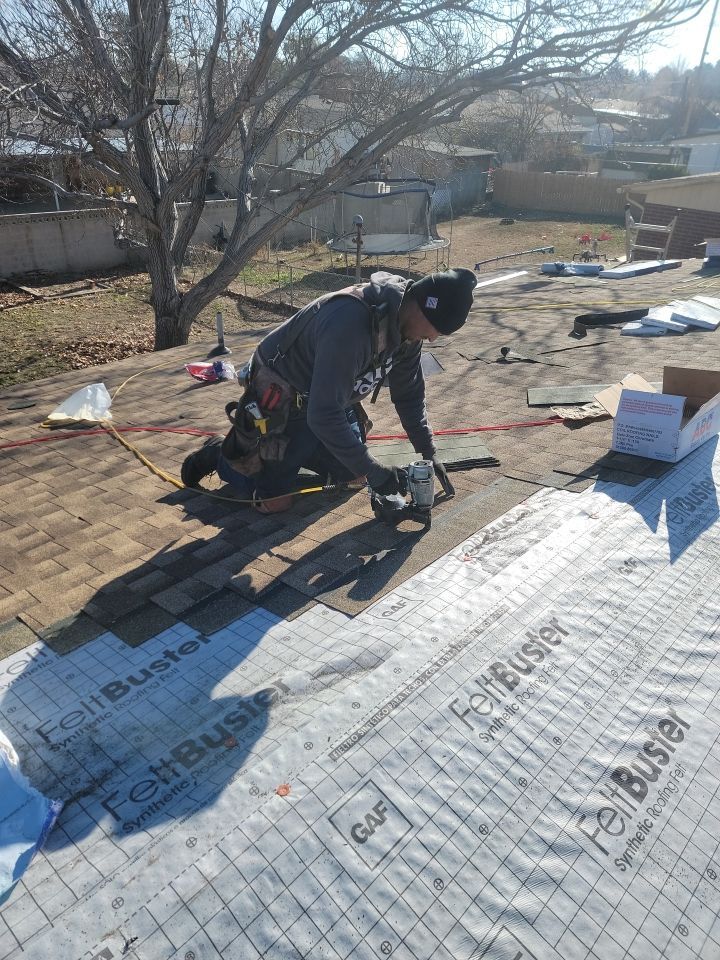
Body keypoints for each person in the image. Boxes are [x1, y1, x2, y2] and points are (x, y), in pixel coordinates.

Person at [181, 268, 477, 512]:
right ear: (423, 307)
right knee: (274, 502)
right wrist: (374, 472)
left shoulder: (408, 332)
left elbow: (409, 394)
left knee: (353, 474)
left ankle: (295, 457)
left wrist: (428, 451)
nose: (435, 339)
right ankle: (222, 454)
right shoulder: (350, 325)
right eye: (438, 329)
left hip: (326, 401)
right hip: (282, 401)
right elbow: (323, 414)